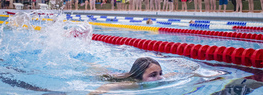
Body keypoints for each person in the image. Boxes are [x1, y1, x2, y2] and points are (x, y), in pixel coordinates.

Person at [89, 57, 226, 94]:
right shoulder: (134, 85)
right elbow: (107, 86)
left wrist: (211, 75)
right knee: (99, 71)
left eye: (160, 73)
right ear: (139, 77)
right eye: (153, 75)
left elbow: (187, 74)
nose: (159, 78)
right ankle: (92, 65)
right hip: (107, 75)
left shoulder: (164, 79)